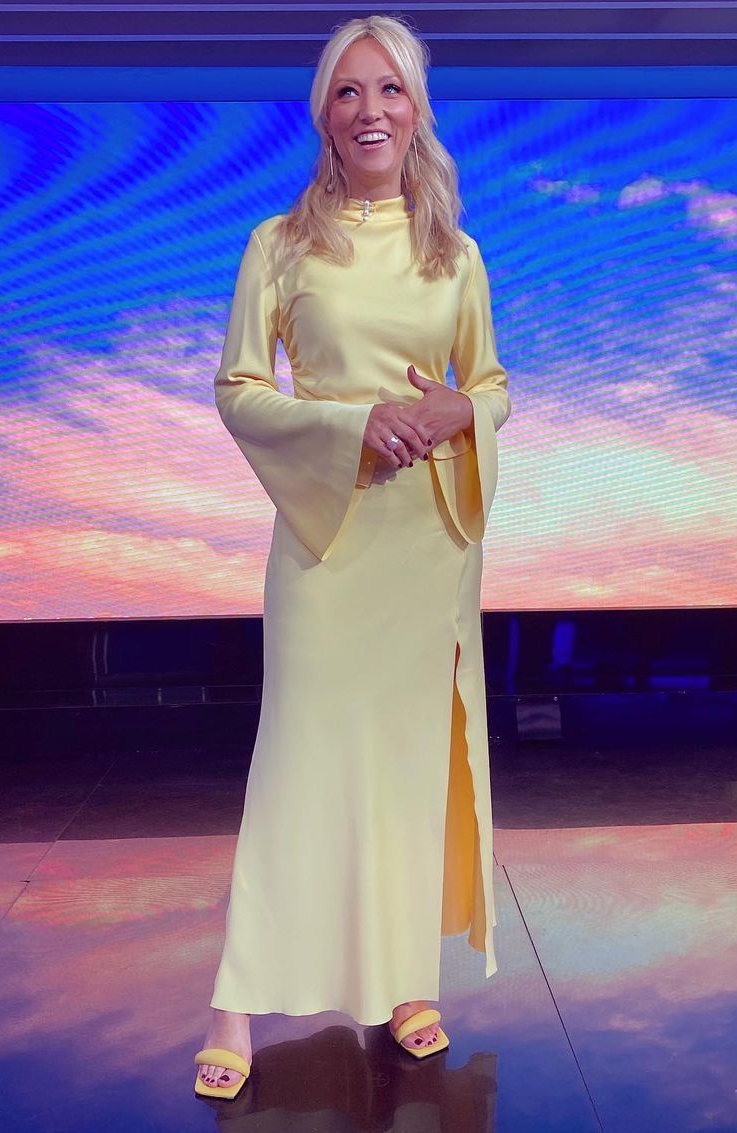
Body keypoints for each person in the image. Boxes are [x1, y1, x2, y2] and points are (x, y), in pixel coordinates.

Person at [193, 13, 511, 1099]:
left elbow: (492, 385)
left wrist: (461, 409)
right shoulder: (277, 246)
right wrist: (350, 427)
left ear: (417, 110)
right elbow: (239, 388)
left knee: (407, 770)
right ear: (323, 114)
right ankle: (237, 1000)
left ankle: (405, 982)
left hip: (428, 546)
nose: (370, 109)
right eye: (348, 91)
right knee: (298, 762)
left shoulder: (455, 255)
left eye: (391, 90)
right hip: (325, 540)